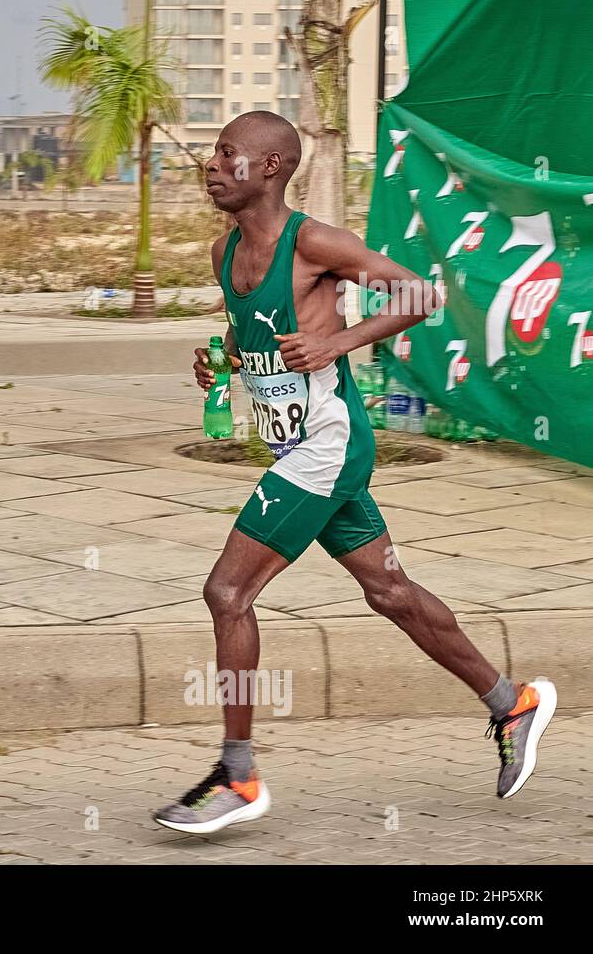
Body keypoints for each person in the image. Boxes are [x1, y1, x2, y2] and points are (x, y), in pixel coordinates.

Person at [151, 111, 556, 835]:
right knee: (390, 592)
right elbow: (260, 344)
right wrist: (224, 358)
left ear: (270, 168)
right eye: (212, 155)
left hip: (329, 446)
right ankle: (512, 703)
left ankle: (238, 775)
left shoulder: (314, 242)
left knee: (227, 590)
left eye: (226, 154)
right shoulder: (225, 252)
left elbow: (419, 294)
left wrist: (336, 341)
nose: (211, 165)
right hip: (297, 447)